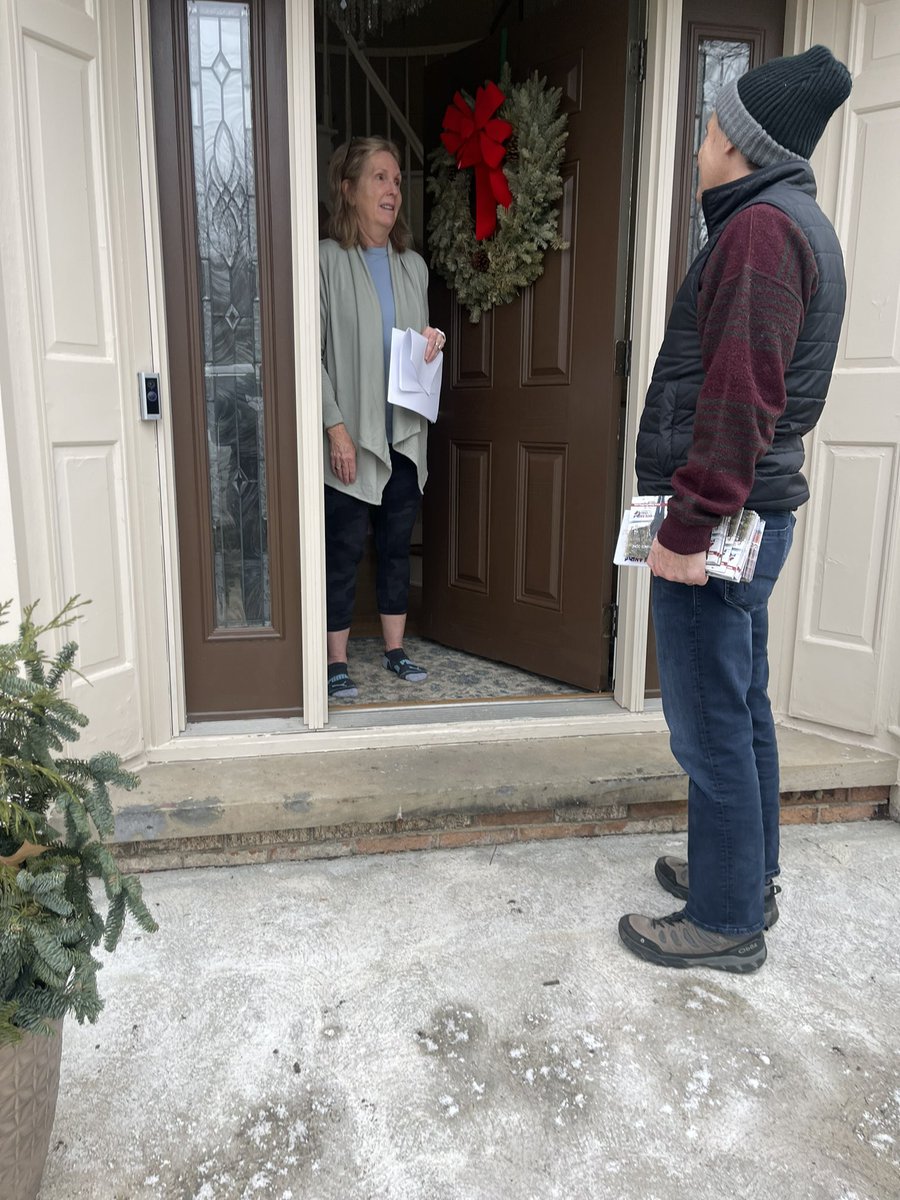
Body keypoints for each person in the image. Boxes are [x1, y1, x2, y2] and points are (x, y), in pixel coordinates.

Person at [618, 46, 853, 972]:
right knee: (741, 704)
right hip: (752, 517)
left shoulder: (759, 232)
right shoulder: (792, 223)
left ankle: (724, 921)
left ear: (741, 143)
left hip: (722, 519)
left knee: (710, 717)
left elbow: (740, 395)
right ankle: (743, 876)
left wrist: (686, 526)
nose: (701, 140)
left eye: (712, 126)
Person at [319, 137, 446, 700]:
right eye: (379, 178)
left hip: (402, 432)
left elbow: (413, 345)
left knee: (397, 544)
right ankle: (335, 660)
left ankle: (395, 649)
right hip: (351, 435)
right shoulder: (325, 259)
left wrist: (432, 342)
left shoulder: (412, 266)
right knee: (343, 548)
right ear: (348, 190)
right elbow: (311, 353)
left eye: (396, 180)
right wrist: (335, 428)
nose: (392, 189)